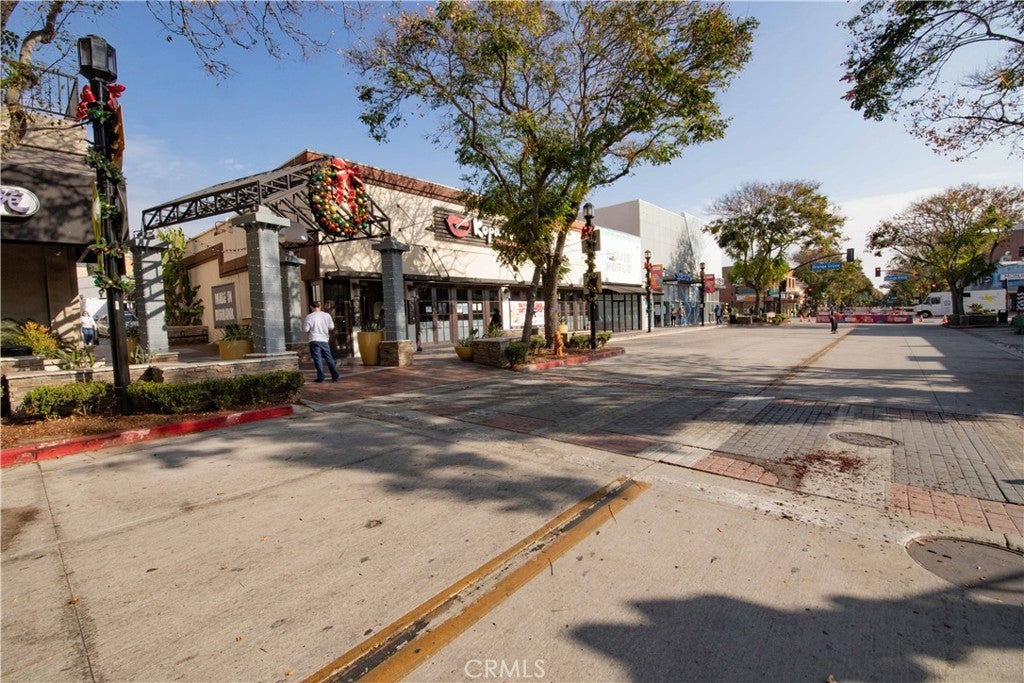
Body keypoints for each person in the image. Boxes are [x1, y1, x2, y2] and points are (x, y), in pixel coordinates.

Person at [304, 301, 339, 382]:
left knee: (317, 359)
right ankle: (335, 376)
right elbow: (331, 327)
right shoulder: (327, 315)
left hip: (314, 339)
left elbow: (306, 329)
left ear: (311, 307)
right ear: (320, 306)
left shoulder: (309, 316)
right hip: (324, 340)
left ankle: (321, 377)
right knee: (329, 358)